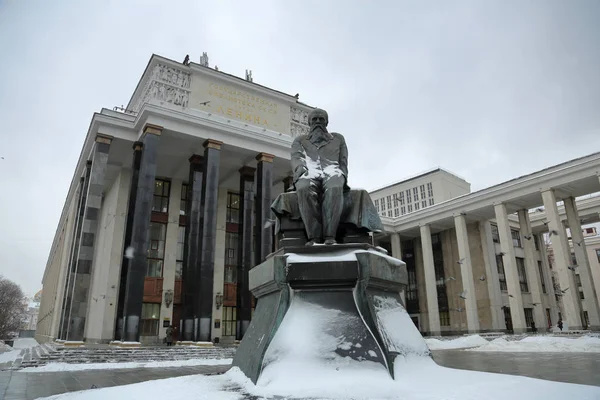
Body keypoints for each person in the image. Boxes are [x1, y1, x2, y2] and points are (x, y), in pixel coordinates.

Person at [290, 108, 349, 245]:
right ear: (309, 122)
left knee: (334, 187)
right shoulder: (300, 140)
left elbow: (343, 161)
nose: (318, 122)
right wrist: (301, 172)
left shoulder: (338, 139)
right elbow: (297, 158)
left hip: (332, 170)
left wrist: (342, 176)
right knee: (304, 187)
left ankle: (330, 236)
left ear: (327, 122)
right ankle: (314, 237)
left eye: (321, 119)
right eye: (314, 119)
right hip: (309, 171)